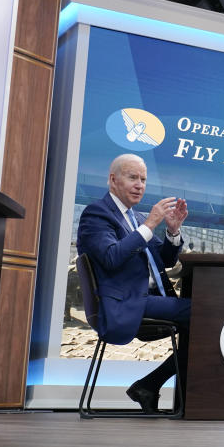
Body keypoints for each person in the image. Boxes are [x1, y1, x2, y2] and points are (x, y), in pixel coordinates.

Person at [76, 153, 191, 413]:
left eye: (143, 179)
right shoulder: (97, 214)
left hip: (148, 300)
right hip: (125, 303)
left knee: (204, 322)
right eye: (133, 177)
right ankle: (149, 385)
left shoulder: (135, 218)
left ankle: (149, 386)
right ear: (113, 180)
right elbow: (111, 257)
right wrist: (150, 224)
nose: (140, 184)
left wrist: (172, 231)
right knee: (205, 316)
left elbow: (165, 260)